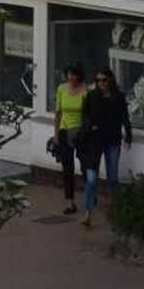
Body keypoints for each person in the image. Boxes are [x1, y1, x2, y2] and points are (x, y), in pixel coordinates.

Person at [78, 67, 134, 228]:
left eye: (103, 80)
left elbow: (125, 118)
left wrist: (128, 136)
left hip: (112, 140)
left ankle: (117, 213)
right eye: (97, 80)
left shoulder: (118, 97)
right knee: (91, 179)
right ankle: (87, 214)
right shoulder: (92, 96)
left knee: (113, 178)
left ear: (110, 80)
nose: (100, 83)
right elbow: (85, 115)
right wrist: (89, 128)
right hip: (94, 141)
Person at [49, 64, 90, 215]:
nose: (71, 78)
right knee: (68, 168)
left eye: (74, 75)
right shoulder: (61, 89)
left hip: (80, 132)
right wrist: (56, 134)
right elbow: (58, 113)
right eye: (68, 75)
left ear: (79, 76)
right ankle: (70, 202)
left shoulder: (86, 90)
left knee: (85, 165)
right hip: (65, 129)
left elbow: (89, 113)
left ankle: (90, 192)